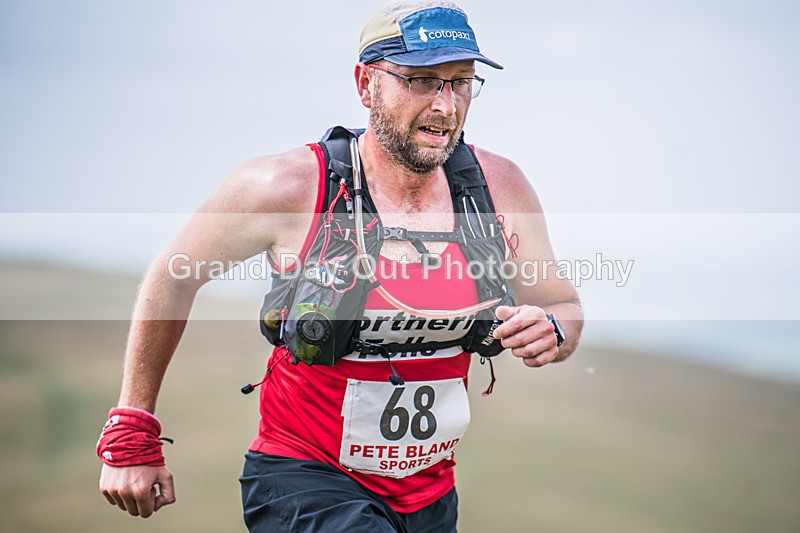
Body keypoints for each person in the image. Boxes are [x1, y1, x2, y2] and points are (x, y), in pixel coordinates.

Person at [96, 1, 583, 531]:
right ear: (366, 84)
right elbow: (173, 276)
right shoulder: (285, 187)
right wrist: (131, 427)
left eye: (461, 82)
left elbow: (561, 304)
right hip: (303, 479)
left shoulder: (499, 188)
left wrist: (553, 329)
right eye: (422, 81)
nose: (446, 106)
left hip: (430, 495)